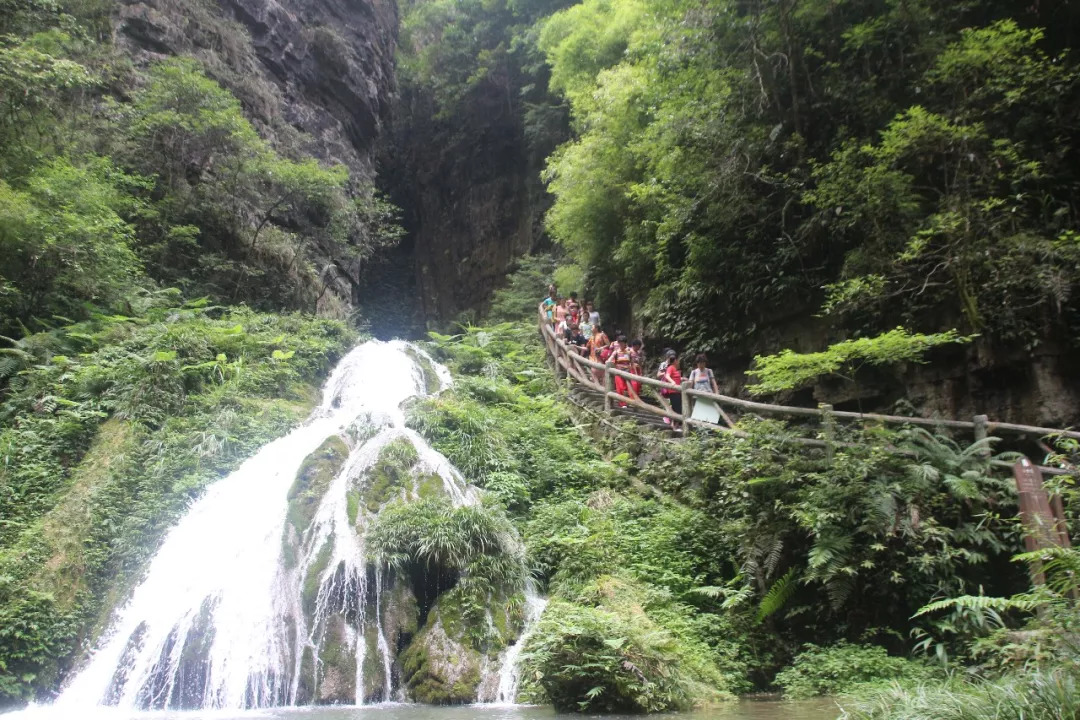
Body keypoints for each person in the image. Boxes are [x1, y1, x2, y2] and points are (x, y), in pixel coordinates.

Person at [611, 335, 638, 406]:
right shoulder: (616, 352)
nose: (621, 344)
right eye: (619, 342)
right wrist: (607, 362)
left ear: (625, 343)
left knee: (630, 387)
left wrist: (635, 373)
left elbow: (632, 363)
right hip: (618, 372)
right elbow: (610, 359)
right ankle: (623, 403)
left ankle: (632, 402)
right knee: (620, 388)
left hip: (627, 372)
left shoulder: (629, 352)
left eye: (622, 342)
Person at [660, 349, 682, 424]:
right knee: (676, 409)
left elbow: (675, 377)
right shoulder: (671, 367)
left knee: (677, 408)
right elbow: (667, 376)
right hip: (673, 391)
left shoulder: (675, 368)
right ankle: (674, 425)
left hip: (677, 391)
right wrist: (673, 382)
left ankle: (674, 424)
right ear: (675, 360)